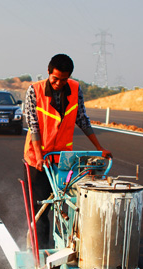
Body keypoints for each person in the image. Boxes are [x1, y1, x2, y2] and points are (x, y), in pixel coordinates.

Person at [23, 53, 112, 249]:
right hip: (37, 160)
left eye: (64, 80)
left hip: (62, 159)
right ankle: (41, 252)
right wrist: (39, 158)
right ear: (48, 72)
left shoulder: (75, 89)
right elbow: (34, 126)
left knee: (69, 203)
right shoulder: (34, 91)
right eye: (55, 79)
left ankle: (69, 247)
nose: (58, 84)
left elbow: (82, 118)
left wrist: (99, 148)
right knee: (41, 207)